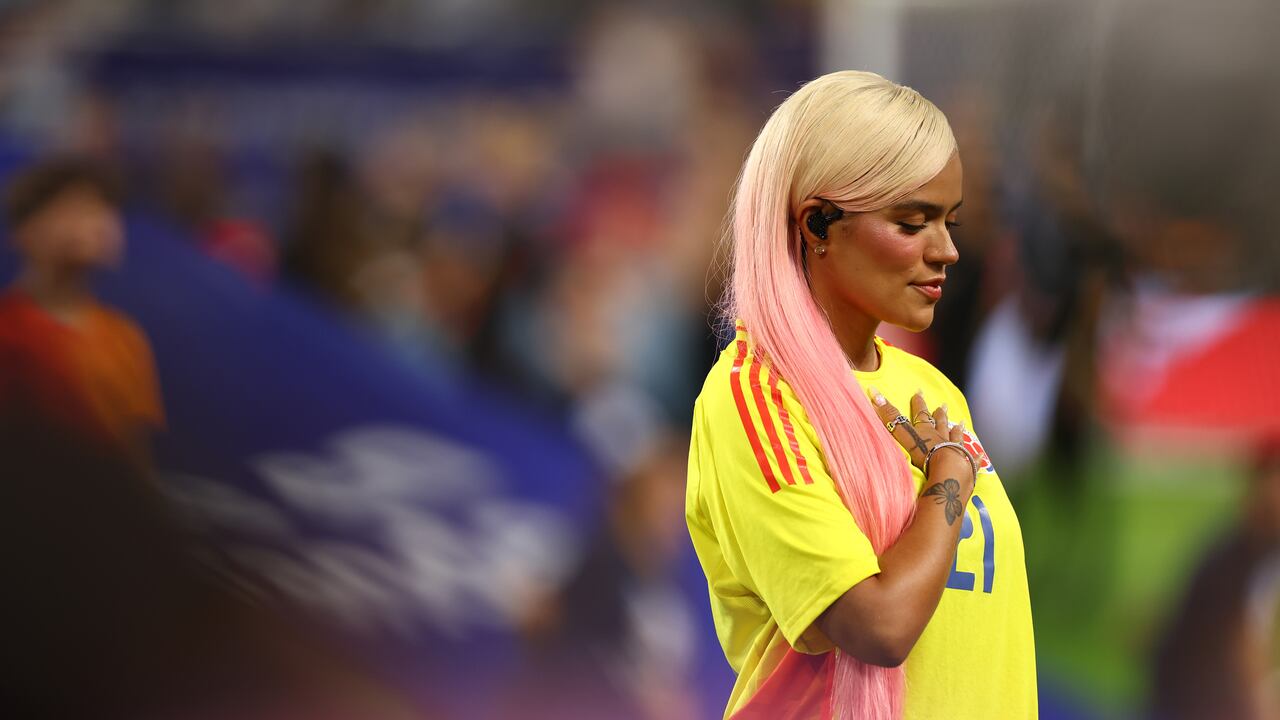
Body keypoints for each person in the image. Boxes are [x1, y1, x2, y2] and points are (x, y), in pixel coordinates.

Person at [686, 71, 1036, 719]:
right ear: (818, 223)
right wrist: (949, 474)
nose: (948, 250)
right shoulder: (754, 398)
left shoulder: (930, 391)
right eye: (912, 223)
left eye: (950, 221)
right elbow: (878, 626)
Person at [0, 157, 164, 470]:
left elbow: (133, 459)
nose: (96, 224)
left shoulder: (124, 338)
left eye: (102, 211)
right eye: (74, 209)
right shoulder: (7, 330)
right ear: (24, 232)